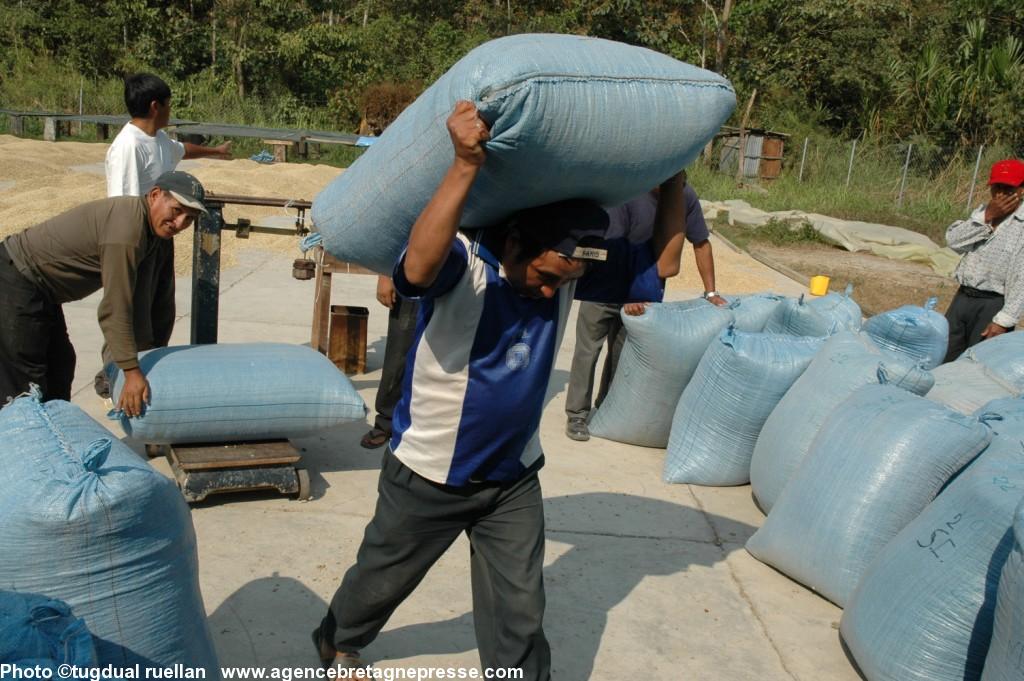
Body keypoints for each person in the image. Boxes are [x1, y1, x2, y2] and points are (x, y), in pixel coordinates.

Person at [312, 101, 686, 679]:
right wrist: (464, 163)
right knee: (383, 575)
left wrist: (675, 179)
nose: (547, 293)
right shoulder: (466, 264)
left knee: (521, 609)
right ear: (514, 243)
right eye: (542, 277)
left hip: (512, 475)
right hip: (431, 472)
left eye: (560, 283)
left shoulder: (568, 267)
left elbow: (663, 267)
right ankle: (337, 639)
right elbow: (415, 267)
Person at [0, 171, 208, 415]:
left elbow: (146, 303)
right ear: (154, 195)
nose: (180, 223)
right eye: (176, 210)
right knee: (26, 380)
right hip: (17, 278)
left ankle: (56, 437)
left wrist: (148, 355)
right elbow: (115, 309)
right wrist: (131, 372)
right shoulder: (127, 233)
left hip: (42, 289)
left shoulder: (152, 234)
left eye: (190, 218)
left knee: (61, 364)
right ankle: (22, 445)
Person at [93, 73, 231, 398]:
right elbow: (123, 206)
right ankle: (113, 376)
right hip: (137, 240)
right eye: (169, 105)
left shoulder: (157, 139)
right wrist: (136, 249)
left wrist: (216, 151)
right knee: (132, 312)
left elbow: (182, 149)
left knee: (159, 313)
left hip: (160, 239)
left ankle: (150, 366)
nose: (171, 111)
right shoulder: (128, 147)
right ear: (156, 106)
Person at [564, 178, 727, 441]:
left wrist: (711, 292)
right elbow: (616, 246)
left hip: (643, 290)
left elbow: (701, 243)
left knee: (623, 353)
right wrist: (631, 293)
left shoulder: (684, 196)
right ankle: (577, 415)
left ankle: (606, 406)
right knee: (588, 350)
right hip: (605, 284)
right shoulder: (630, 188)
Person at [943, 158, 1024, 362]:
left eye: (1009, 188)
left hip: (993, 305)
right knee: (945, 355)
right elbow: (954, 241)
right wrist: (988, 216)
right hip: (963, 298)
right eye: (997, 187)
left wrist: (1004, 320)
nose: (1001, 194)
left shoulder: (1021, 226)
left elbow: (1022, 280)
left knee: (974, 363)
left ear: (1022, 190)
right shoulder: (982, 213)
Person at [359, 275, 419, 449]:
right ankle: (387, 421)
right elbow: (392, 246)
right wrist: (386, 274)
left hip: (461, 279)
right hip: (414, 277)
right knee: (399, 352)